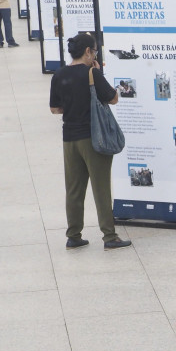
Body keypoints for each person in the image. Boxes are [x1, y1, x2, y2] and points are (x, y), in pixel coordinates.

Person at [49, 33, 132, 250]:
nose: (95, 54)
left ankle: (73, 235)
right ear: (88, 52)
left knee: (74, 189)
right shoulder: (92, 73)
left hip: (70, 139)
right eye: (94, 50)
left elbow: (55, 109)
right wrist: (98, 73)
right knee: (101, 187)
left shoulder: (59, 75)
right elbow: (113, 98)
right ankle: (109, 236)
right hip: (94, 138)